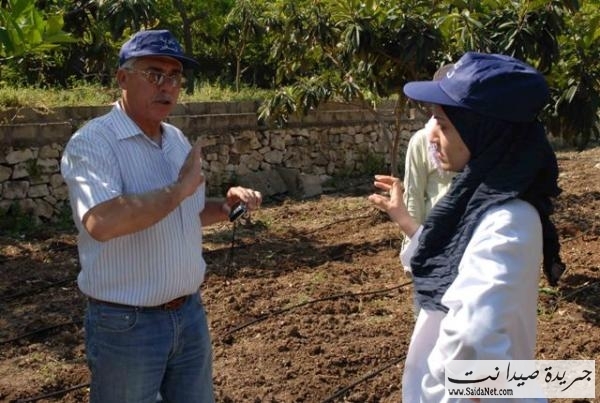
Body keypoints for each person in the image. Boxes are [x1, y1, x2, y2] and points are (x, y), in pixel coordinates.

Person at [61, 29, 262, 403]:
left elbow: (185, 212)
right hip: (127, 325)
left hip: (188, 315)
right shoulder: (93, 143)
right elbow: (102, 222)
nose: (167, 86)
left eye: (174, 76)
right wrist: (179, 190)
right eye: (154, 74)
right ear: (123, 78)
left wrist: (225, 208)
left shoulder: (175, 140)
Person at [368, 52, 565, 402]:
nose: (431, 135)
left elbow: (474, 340)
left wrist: (442, 391)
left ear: (483, 131)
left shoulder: (509, 220)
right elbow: (457, 261)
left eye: (443, 124)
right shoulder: (478, 201)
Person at [401, 64, 457, 315]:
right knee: (432, 313)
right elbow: (413, 194)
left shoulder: (476, 141)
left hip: (465, 242)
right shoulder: (422, 140)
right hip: (434, 239)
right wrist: (412, 247)